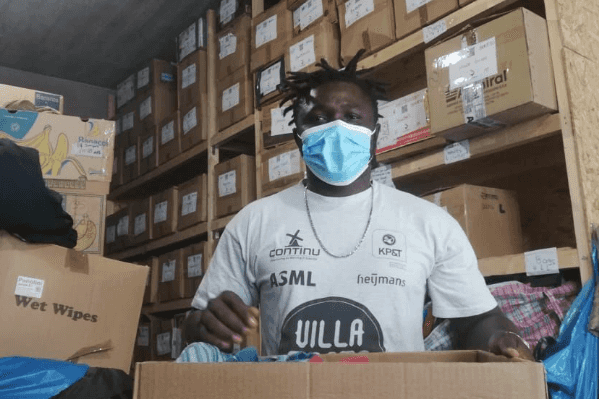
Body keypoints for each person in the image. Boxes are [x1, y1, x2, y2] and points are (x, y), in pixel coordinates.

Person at [183, 50, 534, 360]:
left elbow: (475, 319)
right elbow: (194, 328)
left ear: (375, 135)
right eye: (318, 119)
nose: (336, 127)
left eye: (352, 117)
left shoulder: (428, 222)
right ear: (298, 138)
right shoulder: (255, 222)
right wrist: (206, 325)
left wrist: (502, 338)